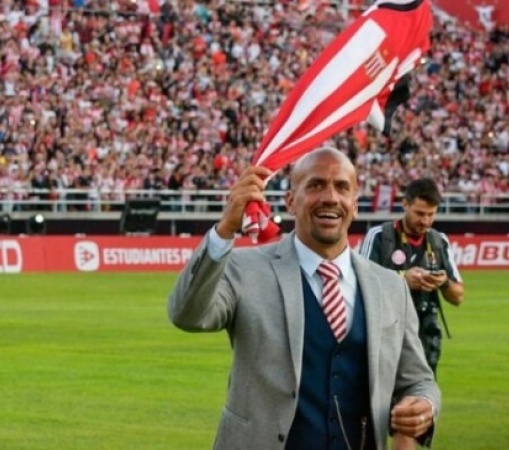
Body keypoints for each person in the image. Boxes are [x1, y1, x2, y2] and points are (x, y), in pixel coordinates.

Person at [168, 148, 440, 450]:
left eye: (342, 187)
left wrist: (424, 405)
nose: (330, 197)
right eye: (316, 185)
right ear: (290, 201)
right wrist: (224, 231)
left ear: (354, 204)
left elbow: (417, 380)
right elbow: (186, 314)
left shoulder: (390, 287)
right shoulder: (244, 269)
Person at [358, 178, 463, 450]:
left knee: (410, 420)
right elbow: (359, 283)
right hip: (382, 337)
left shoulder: (439, 242)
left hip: (423, 344)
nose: (425, 220)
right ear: (404, 205)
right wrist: (404, 278)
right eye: (419, 213)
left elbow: (458, 296)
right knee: (369, 421)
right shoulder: (380, 237)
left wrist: (441, 282)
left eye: (431, 214)